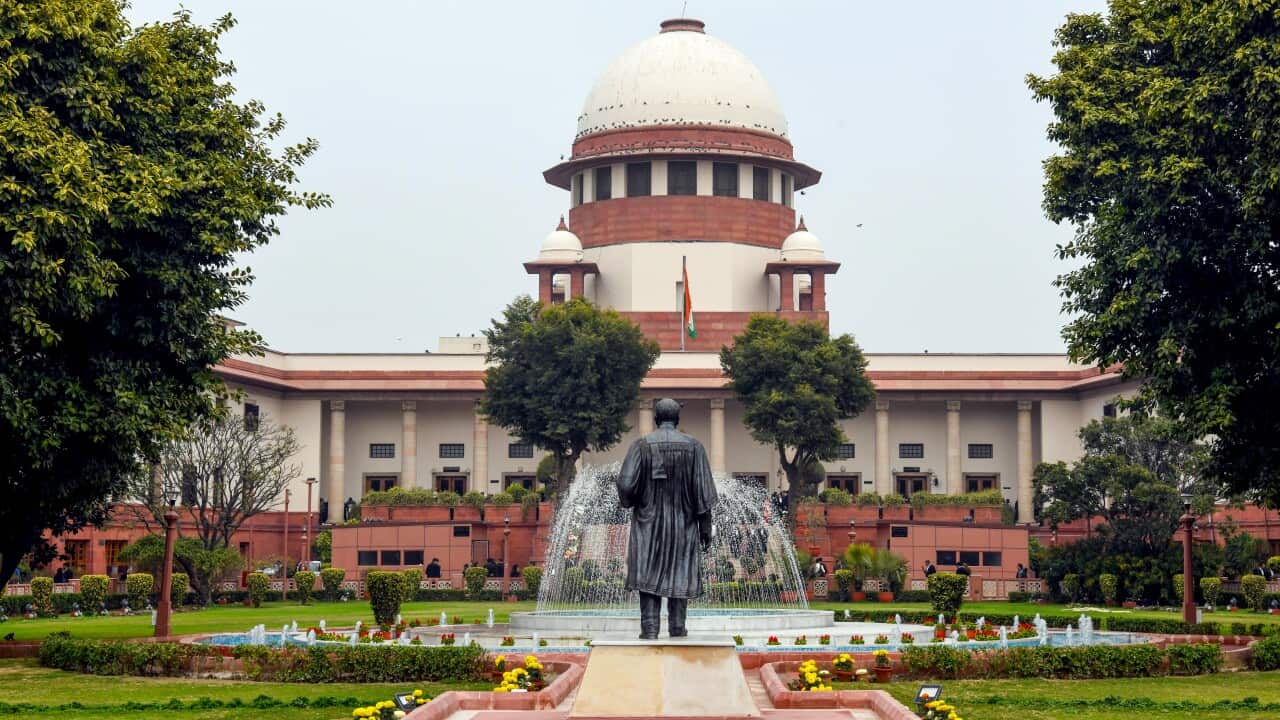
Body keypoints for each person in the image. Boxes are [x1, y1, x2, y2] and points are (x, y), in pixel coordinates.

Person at [617, 398, 717, 640]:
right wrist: (705, 527)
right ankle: (678, 629)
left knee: (647, 575)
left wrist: (632, 501)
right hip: (684, 524)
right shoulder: (694, 447)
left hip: (647, 524)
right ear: (678, 419)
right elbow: (703, 493)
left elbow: (625, 484)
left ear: (656, 419)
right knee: (680, 574)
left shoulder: (640, 446)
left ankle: (649, 630)